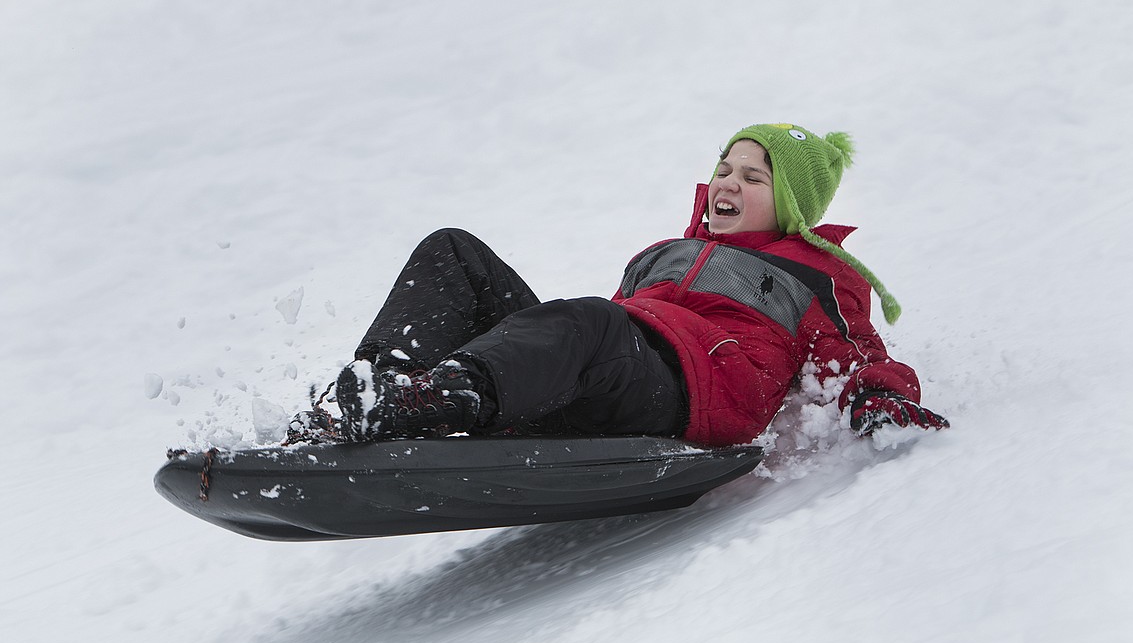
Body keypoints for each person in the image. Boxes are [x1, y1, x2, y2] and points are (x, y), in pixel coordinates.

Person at [285, 122, 948, 447]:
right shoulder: (666, 252)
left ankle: (431, 400)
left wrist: (881, 398)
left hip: (692, 396)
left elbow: (856, 352)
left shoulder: (817, 274)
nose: (728, 183)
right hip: (612, 366)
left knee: (593, 322)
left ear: (794, 206)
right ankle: (373, 393)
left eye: (753, 178)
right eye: (725, 167)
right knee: (454, 253)